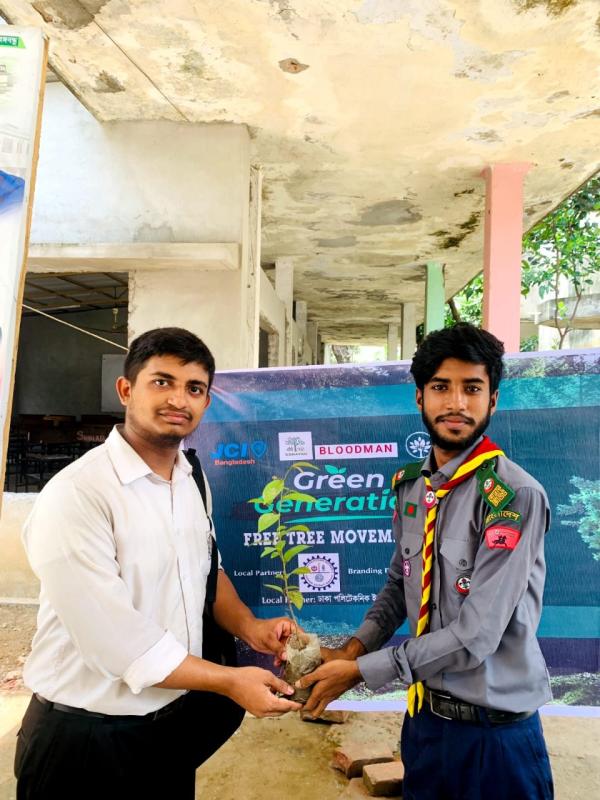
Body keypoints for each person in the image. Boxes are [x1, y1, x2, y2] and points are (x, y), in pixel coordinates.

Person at [15, 327, 301, 800]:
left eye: (195, 388)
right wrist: (230, 681)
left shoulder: (191, 482)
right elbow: (116, 642)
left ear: (206, 402)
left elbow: (207, 573)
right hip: (85, 742)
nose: (178, 400)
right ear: (126, 389)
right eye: (162, 382)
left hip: (168, 730)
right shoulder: (79, 494)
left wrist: (251, 628)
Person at [298, 322, 554, 800]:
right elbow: (400, 583)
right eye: (441, 387)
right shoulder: (412, 487)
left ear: (493, 400)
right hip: (425, 724)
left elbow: (476, 635)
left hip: (495, 739)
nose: (456, 403)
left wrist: (362, 671)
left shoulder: (513, 496)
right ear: (419, 396)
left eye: (472, 388)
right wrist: (353, 649)